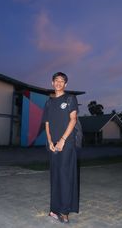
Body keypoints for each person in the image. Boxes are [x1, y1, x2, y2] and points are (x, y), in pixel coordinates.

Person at [42, 72, 79, 223]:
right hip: (53, 144)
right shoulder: (49, 102)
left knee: (65, 175)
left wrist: (63, 140)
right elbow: (47, 123)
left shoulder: (70, 99)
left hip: (66, 143)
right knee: (55, 175)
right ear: (52, 83)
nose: (58, 83)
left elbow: (73, 119)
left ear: (65, 84)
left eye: (62, 81)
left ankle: (64, 211)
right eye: (56, 80)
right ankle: (54, 209)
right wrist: (50, 140)